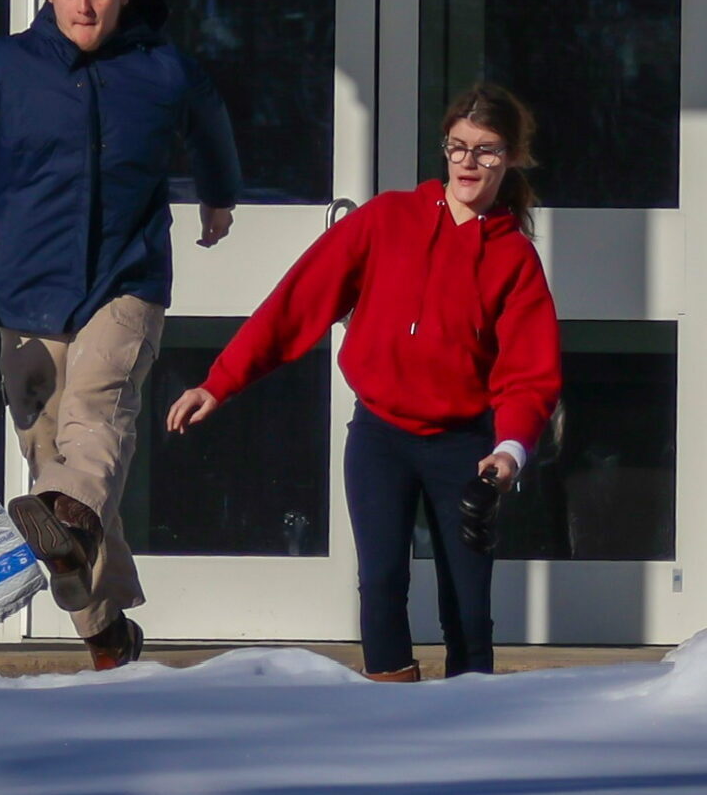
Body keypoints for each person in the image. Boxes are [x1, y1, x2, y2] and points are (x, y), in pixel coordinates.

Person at [0, 0, 242, 669]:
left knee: (96, 417)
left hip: (126, 279)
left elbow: (210, 117)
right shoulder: (5, 66)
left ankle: (66, 528)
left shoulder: (160, 67)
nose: (83, 5)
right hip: (26, 294)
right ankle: (106, 634)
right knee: (61, 470)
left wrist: (219, 195)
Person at [168, 83, 560, 680]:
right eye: (457, 148)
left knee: (467, 601)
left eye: (485, 151)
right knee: (380, 583)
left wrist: (509, 451)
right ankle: (389, 716)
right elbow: (295, 303)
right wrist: (218, 383)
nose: (469, 164)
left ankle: (475, 734)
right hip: (381, 435)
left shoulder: (513, 258)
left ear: (510, 157)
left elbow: (529, 373)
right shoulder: (388, 219)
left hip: (464, 446)